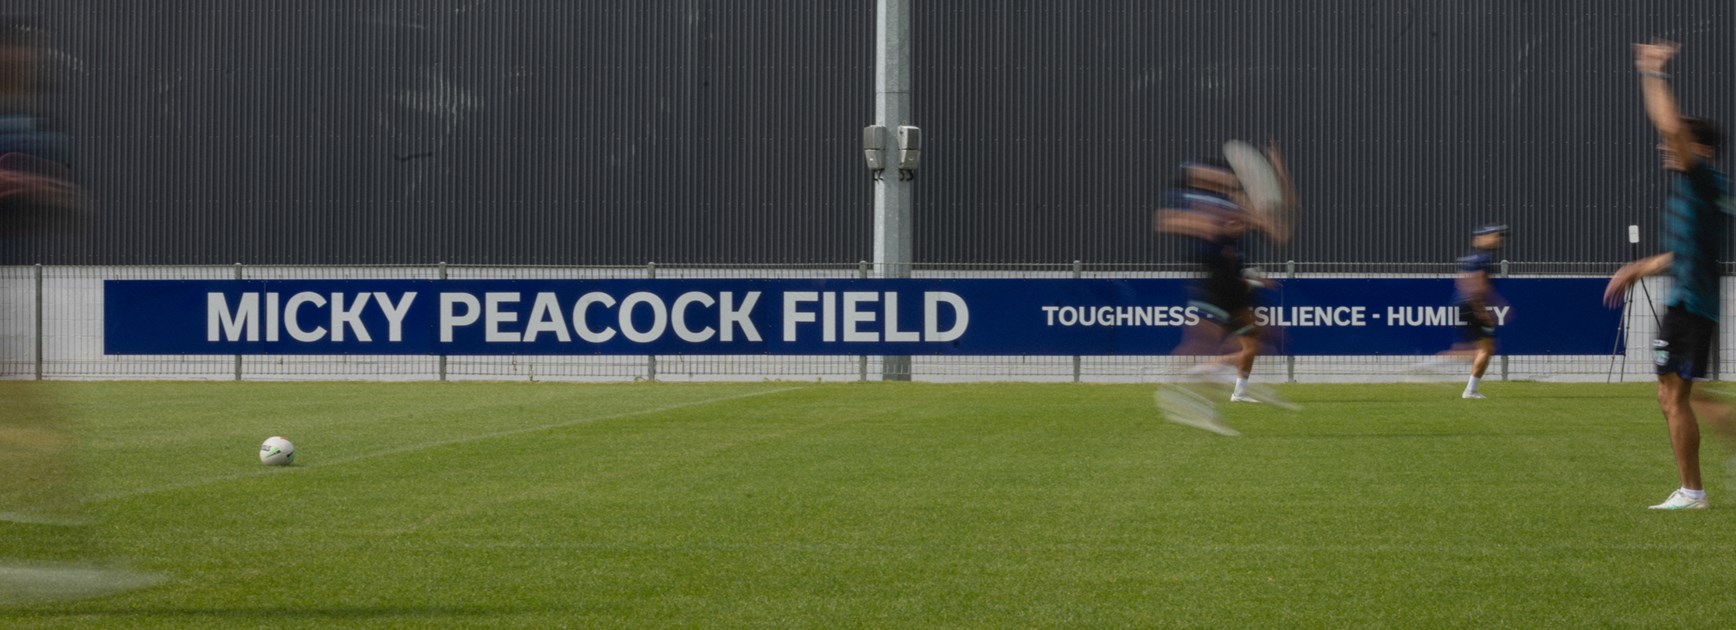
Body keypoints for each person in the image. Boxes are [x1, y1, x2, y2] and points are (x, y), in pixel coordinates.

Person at [1604, 40, 1736, 510]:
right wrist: (1641, 267)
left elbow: (1667, 123)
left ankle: (1692, 492)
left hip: (1689, 304)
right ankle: (1695, 486)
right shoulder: (1704, 189)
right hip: (1692, 300)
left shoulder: (1702, 180)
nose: (1664, 145)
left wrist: (1652, 70)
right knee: (1681, 393)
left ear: (1698, 149)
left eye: (1675, 141)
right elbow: (1685, 251)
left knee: (1672, 395)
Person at [1152, 146, 1298, 434]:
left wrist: (1280, 180)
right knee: (1203, 340)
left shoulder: (1233, 202)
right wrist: (1206, 224)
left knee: (1266, 335)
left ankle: (1223, 381)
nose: (1223, 174)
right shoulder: (1185, 196)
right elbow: (1166, 220)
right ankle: (1192, 391)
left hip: (1236, 281)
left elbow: (1278, 231)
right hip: (1214, 276)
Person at [1455, 224, 1506, 399]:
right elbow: (1477, 287)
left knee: (1482, 347)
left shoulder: (1471, 259)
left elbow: (1461, 282)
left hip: (1465, 306)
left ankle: (1469, 387)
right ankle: (1470, 389)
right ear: (1482, 238)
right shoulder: (1482, 259)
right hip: (1473, 308)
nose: (1498, 239)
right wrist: (1482, 312)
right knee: (1486, 348)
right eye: (1495, 235)